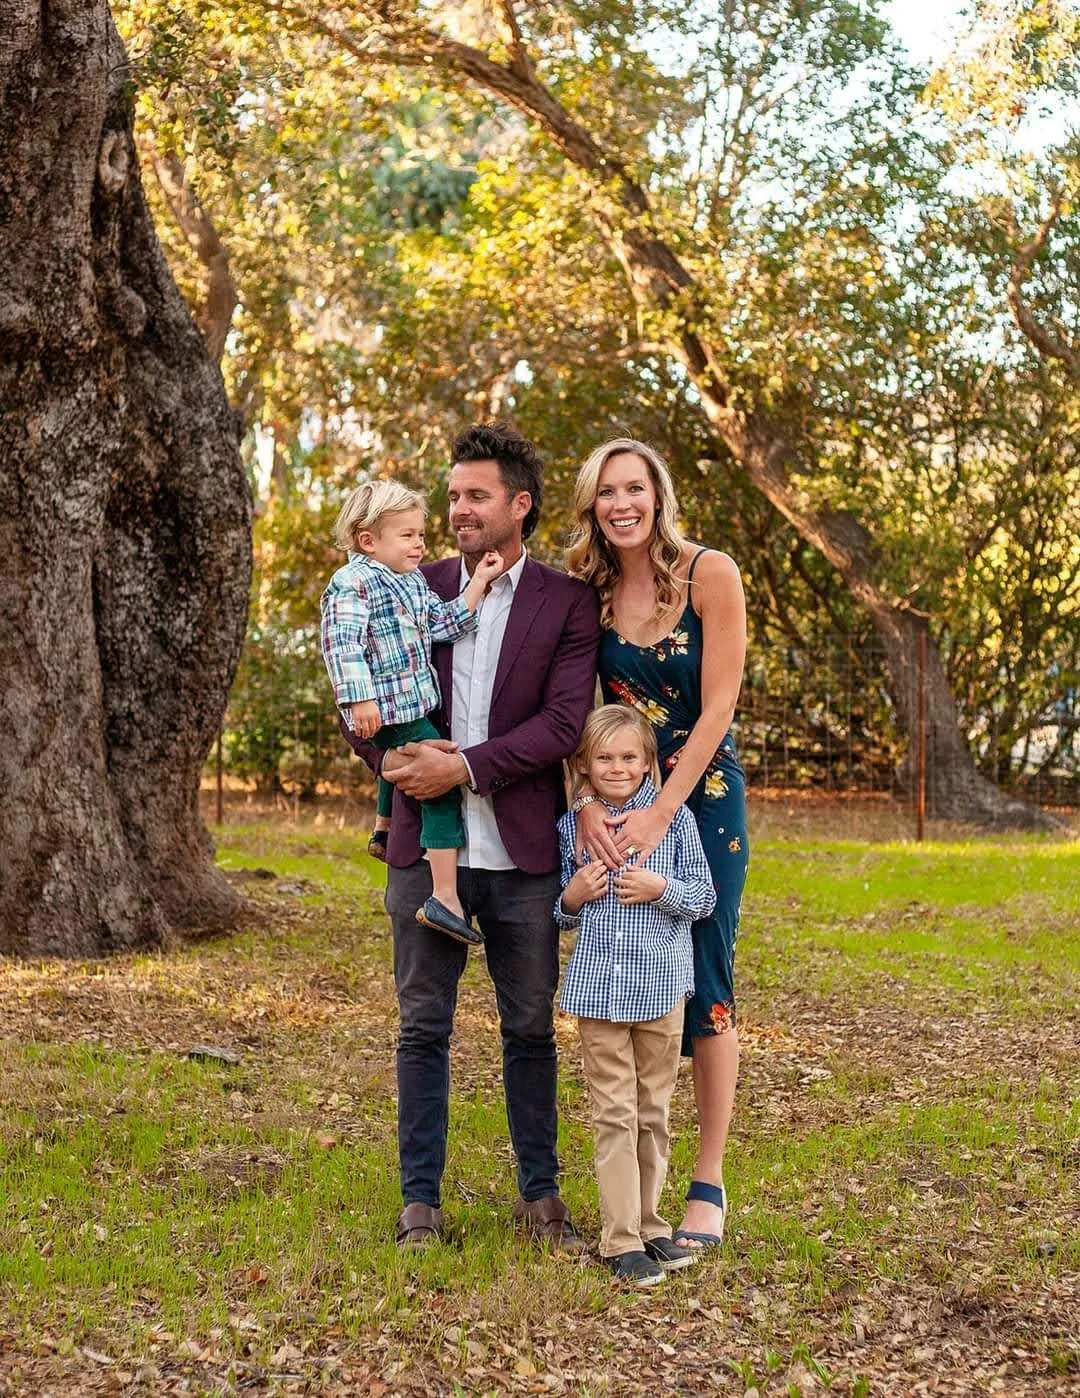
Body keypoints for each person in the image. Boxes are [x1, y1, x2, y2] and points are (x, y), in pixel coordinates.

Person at [342, 423, 601, 1250]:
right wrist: (394, 759)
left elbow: (564, 723)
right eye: (452, 495)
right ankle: (419, 1204)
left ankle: (541, 1196)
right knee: (423, 1027)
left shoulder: (567, 602)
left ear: (519, 505)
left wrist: (464, 767)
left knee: (530, 1028)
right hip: (425, 850)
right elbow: (359, 688)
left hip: (524, 854)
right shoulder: (407, 583)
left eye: (476, 496)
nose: (457, 510)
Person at [567, 438, 748, 1252]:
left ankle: (706, 1182)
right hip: (618, 797)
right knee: (633, 958)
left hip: (700, 799)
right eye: (607, 492)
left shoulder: (711, 574)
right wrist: (587, 803)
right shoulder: (591, 593)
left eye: (634, 488)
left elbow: (719, 707)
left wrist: (661, 815)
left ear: (658, 495)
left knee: (706, 973)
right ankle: (633, 1191)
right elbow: (584, 716)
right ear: (592, 505)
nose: (622, 504)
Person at [556, 705, 717, 1286]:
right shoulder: (576, 827)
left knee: (654, 1112)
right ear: (584, 764)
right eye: (604, 758)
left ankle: (650, 1226)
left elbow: (704, 896)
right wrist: (574, 894)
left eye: (629, 757)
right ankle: (620, 1238)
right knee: (615, 1113)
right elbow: (560, 910)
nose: (617, 768)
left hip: (663, 989)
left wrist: (660, 887)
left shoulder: (675, 822)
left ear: (649, 762)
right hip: (599, 994)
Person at [320, 480, 504, 944]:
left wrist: (479, 583)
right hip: (384, 707)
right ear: (368, 540)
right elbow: (342, 645)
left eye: (420, 534)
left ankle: (383, 829)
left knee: (402, 766)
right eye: (407, 535)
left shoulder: (412, 581)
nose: (419, 544)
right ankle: (444, 896)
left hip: (408, 703)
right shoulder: (353, 582)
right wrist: (359, 699)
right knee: (437, 786)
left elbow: (443, 623)